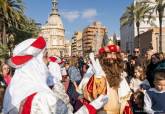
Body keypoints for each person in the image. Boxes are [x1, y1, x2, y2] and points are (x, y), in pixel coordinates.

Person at [3, 36, 108, 114]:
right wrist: (92, 107)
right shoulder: (43, 98)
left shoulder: (11, 92)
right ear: (35, 62)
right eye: (45, 56)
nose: (48, 61)